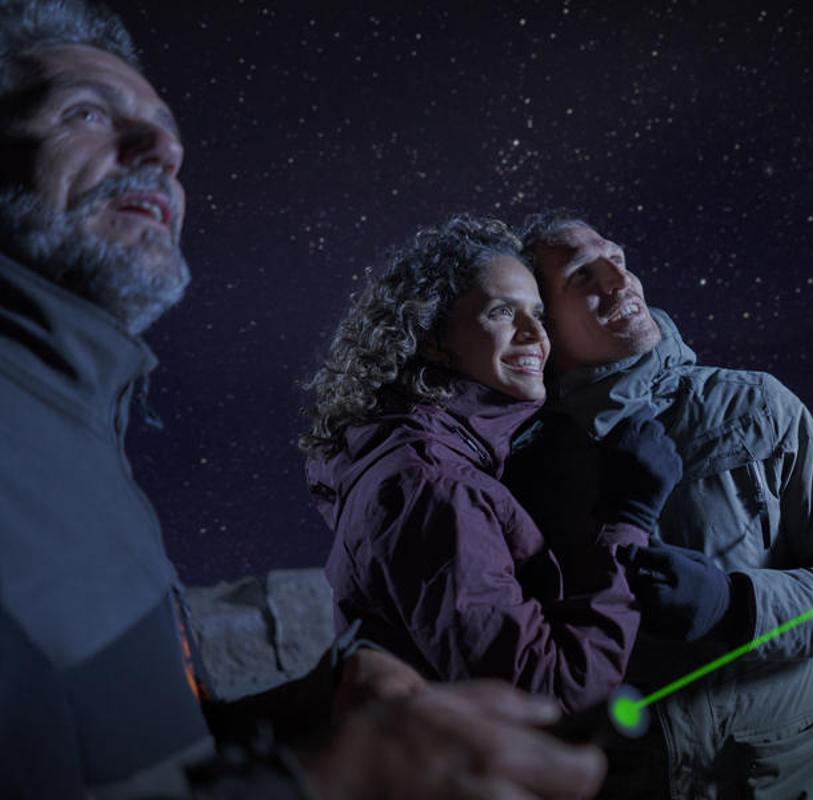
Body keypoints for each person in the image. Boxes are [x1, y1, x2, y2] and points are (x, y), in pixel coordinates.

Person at [0, 2, 604, 797]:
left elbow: (102, 748)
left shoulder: (77, 434)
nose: (167, 149)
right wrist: (320, 782)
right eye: (83, 111)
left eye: (167, 127)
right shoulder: (426, 471)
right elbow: (551, 682)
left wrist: (310, 710)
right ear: (432, 336)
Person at [505, 213, 813, 799]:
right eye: (583, 277)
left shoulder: (756, 407)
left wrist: (737, 603)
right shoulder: (525, 460)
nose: (620, 284)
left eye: (618, 261)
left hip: (776, 777)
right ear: (543, 321)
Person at [301, 215, 682, 712]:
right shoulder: (432, 484)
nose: (533, 335)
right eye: (503, 312)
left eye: (539, 315)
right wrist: (626, 523)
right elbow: (551, 692)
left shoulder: (425, 452)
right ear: (435, 337)